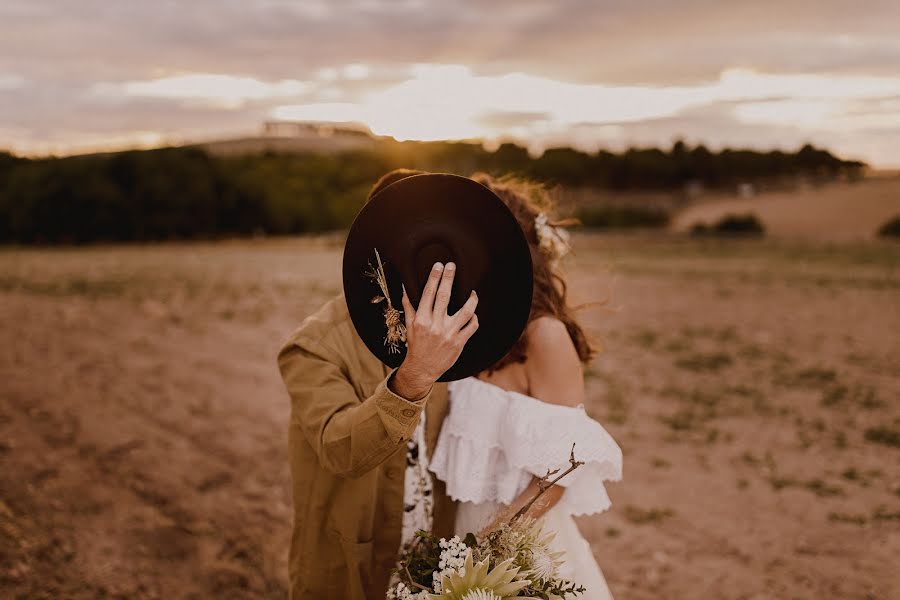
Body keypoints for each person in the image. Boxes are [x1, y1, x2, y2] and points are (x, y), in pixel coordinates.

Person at [276, 169, 480, 599]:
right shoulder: (313, 346)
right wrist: (415, 376)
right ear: (380, 246)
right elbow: (340, 450)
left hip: (431, 568)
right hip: (351, 570)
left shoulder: (454, 334)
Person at [428, 172, 624, 598]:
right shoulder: (467, 330)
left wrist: (483, 555)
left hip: (521, 546)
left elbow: (555, 477)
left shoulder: (546, 337)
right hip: (458, 532)